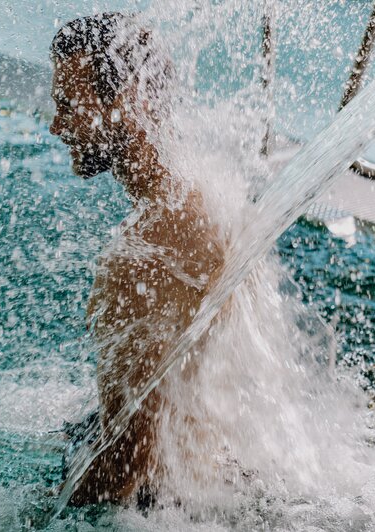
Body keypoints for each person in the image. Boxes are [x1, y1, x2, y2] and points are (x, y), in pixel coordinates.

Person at [49, 13, 225, 507]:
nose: (55, 125)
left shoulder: (140, 259)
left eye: (68, 105)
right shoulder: (201, 193)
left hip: (165, 506)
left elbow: (126, 461)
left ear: (129, 102)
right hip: (209, 477)